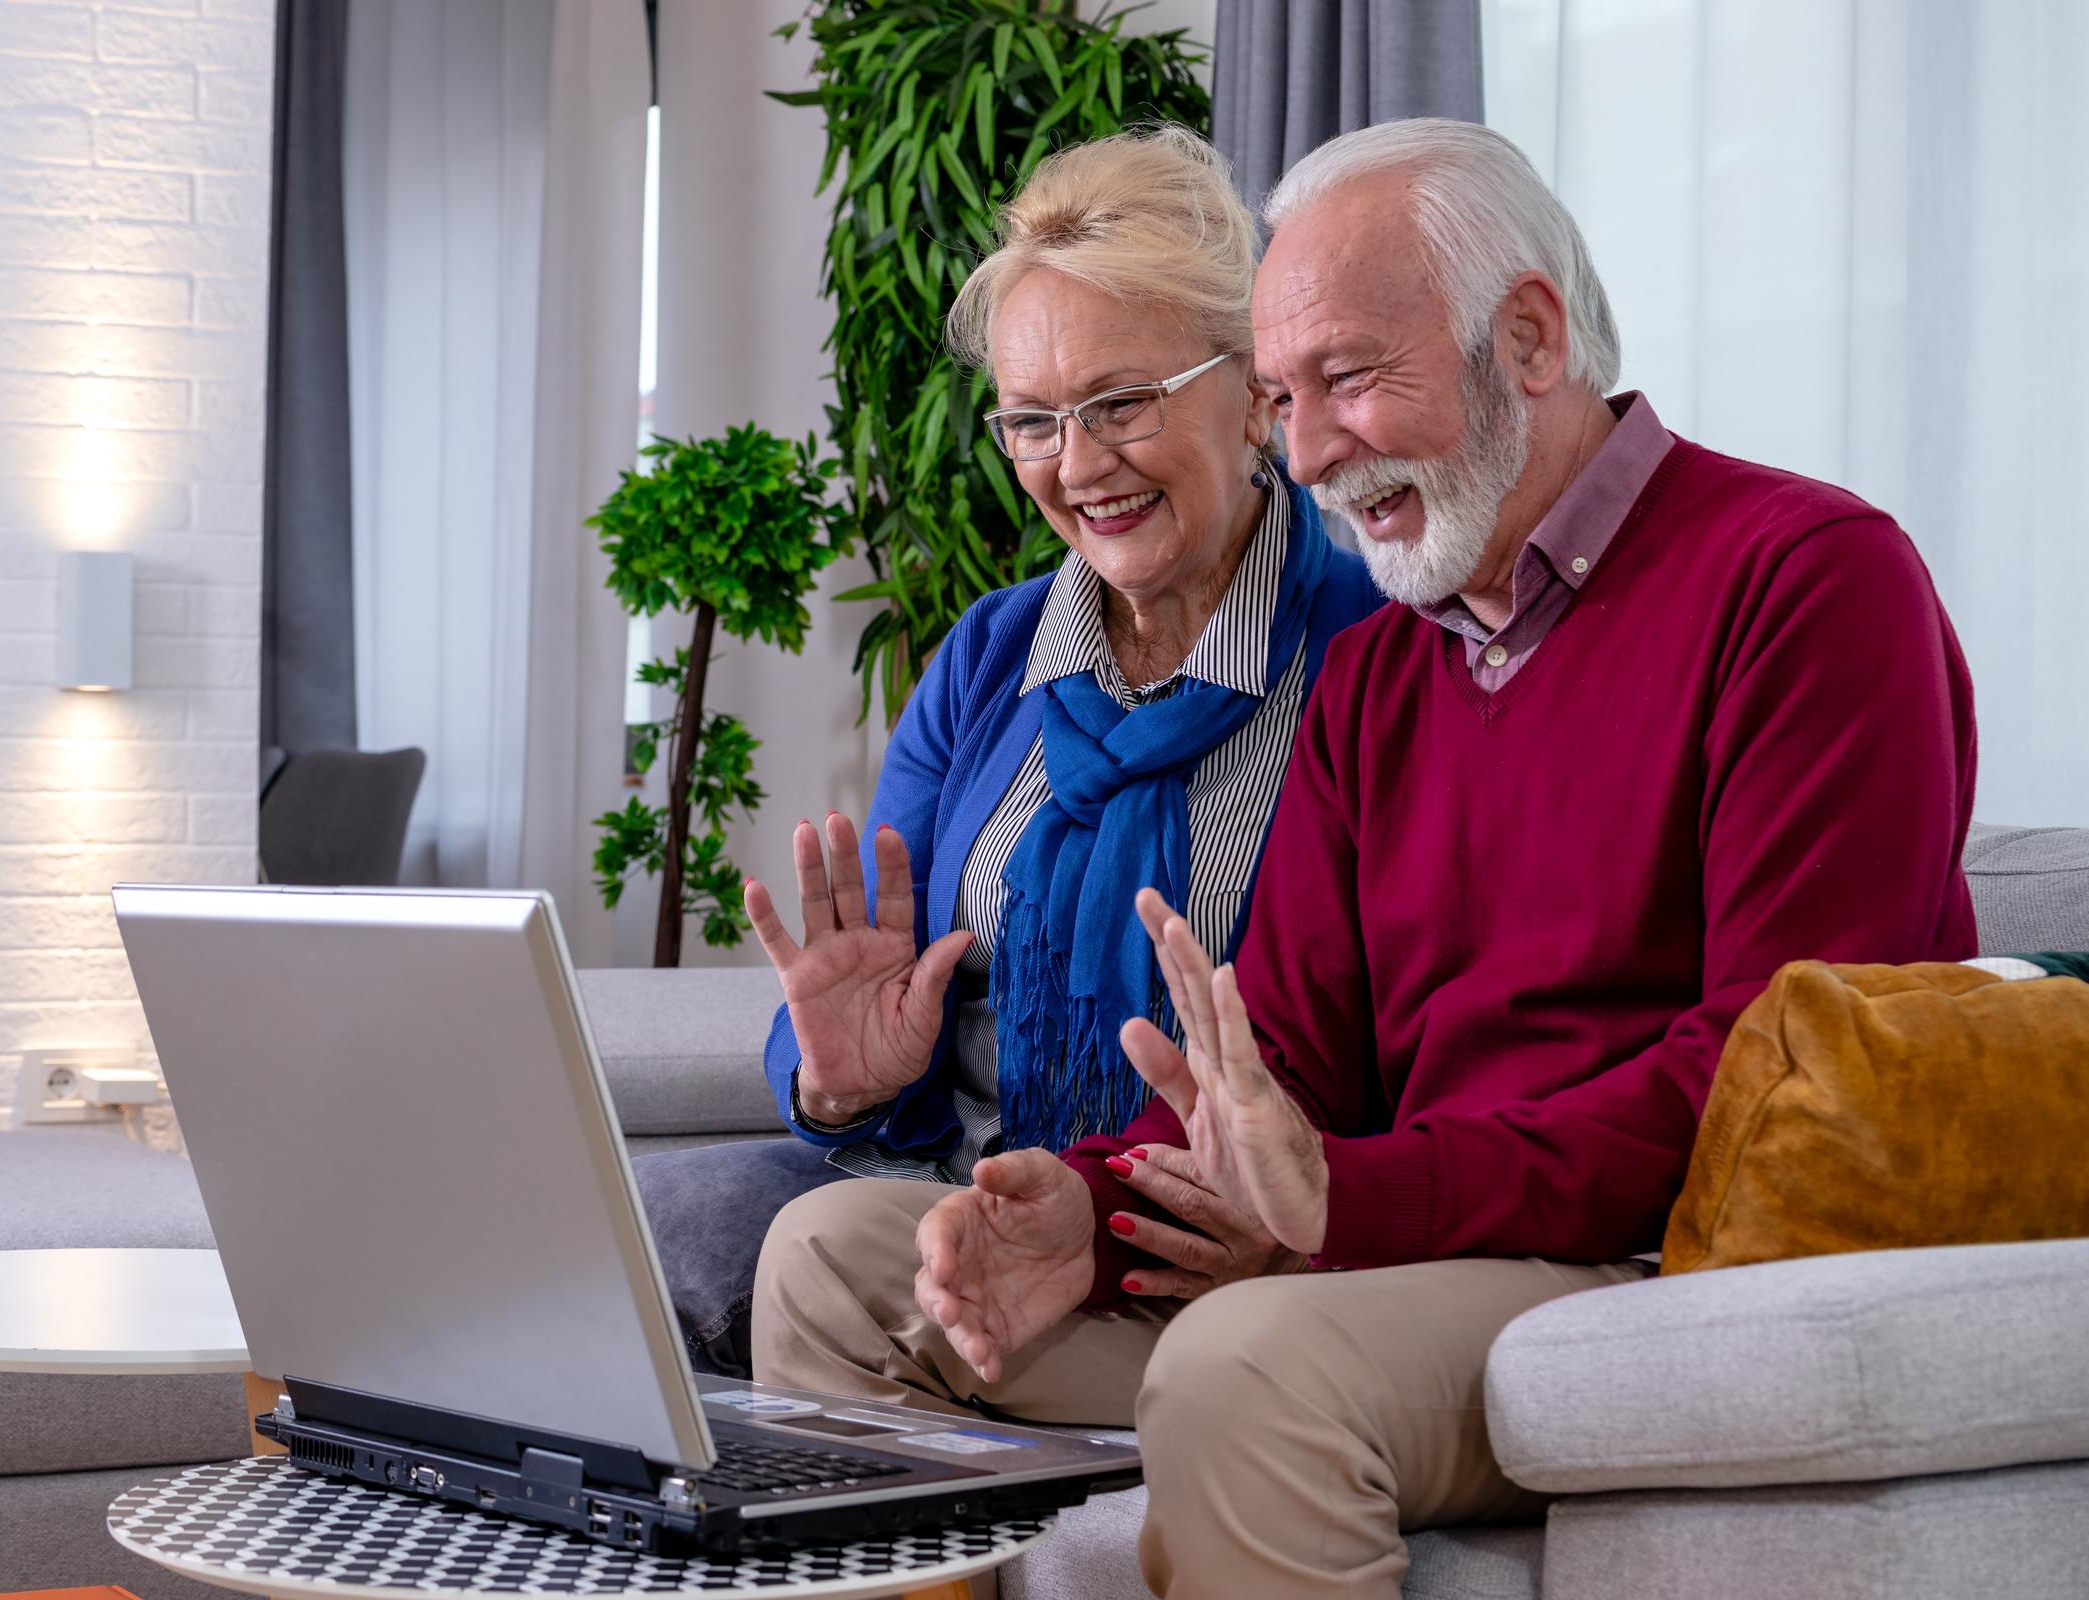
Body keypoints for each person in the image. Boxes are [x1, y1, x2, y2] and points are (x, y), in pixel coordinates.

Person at [753, 119, 1977, 1597]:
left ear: (1527, 335)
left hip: (1655, 1263)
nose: (1312, 448)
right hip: (1403, 1249)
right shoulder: (1390, 673)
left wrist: (1346, 1202)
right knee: (838, 1267)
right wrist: (1087, 1203)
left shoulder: (1807, 581)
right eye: (1284, 396)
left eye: (1345, 378)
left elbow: (1785, 1081)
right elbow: (1294, 1071)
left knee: (1248, 1361)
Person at [631, 125, 1380, 1378]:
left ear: (1255, 386)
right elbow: (863, 1013)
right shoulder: (993, 652)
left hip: (1199, 1228)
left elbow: (1396, 1044)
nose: (1080, 465)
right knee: (615, 1232)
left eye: (1122, 403)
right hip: (946, 1171)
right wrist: (851, 1079)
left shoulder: (1366, 655)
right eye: (1033, 422)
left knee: (822, 1248)